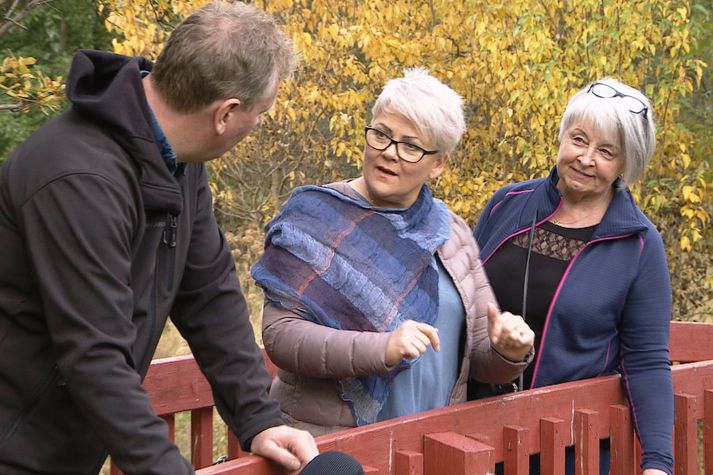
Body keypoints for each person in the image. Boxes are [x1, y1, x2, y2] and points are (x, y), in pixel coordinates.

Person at [0, 2, 360, 474]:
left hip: (60, 446)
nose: (259, 124)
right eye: (261, 113)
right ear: (226, 113)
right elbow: (94, 356)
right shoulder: (78, 179)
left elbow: (209, 296)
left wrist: (258, 417)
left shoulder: (176, 162)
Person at [251, 68, 535, 436]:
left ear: (439, 163)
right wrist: (382, 348)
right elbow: (282, 337)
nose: (389, 153)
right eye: (381, 135)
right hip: (335, 449)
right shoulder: (313, 219)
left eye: (411, 146)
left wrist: (508, 352)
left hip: (435, 446)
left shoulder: (451, 232)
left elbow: (475, 361)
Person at [473, 78, 672, 475]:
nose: (586, 158)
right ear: (562, 137)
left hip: (564, 450)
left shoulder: (638, 243)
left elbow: (647, 361)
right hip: (472, 435)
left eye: (605, 151)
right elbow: (462, 294)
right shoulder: (507, 205)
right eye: (578, 140)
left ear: (624, 165)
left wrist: (658, 464)